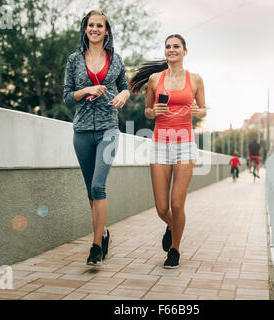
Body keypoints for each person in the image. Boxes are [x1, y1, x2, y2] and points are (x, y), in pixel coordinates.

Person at [129, 34, 207, 269]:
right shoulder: (154, 79)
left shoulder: (195, 79)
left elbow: (204, 110)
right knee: (162, 208)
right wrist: (155, 111)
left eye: (176, 46)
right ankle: (173, 226)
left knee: (177, 205)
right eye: (168, 47)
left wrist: (196, 111)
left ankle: (174, 250)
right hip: (160, 143)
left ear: (184, 51)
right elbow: (148, 112)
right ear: (165, 51)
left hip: (184, 143)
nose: (171, 50)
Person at [63, 10, 130, 266]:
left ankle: (95, 246)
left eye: (99, 25)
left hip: (108, 129)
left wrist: (123, 95)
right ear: (85, 29)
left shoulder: (115, 59)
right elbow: (67, 96)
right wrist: (87, 90)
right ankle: (104, 232)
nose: (94, 29)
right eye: (90, 25)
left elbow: (124, 86)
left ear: (106, 30)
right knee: (91, 193)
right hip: (81, 132)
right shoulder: (74, 60)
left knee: (98, 186)